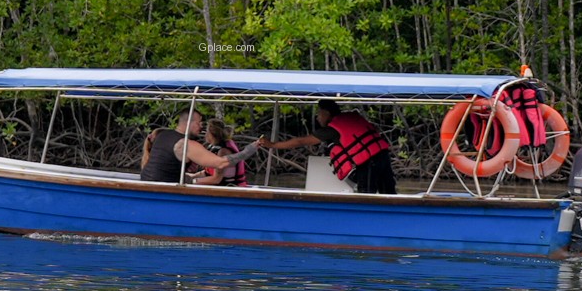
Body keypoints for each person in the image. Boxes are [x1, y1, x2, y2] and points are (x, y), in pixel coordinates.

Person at [258, 99, 395, 194]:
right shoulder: (352, 117)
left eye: (319, 113)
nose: (318, 117)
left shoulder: (331, 129)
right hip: (382, 156)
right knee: (388, 191)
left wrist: (273, 145)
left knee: (366, 193)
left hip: (369, 162)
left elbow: (301, 141)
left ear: (327, 114)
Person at [141, 109, 258, 184]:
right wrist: (247, 151)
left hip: (146, 182)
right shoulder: (186, 144)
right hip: (162, 191)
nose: (201, 127)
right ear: (188, 123)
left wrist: (191, 179)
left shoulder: (162, 134)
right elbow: (220, 163)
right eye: (199, 123)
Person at [194, 119, 249, 187]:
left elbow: (217, 179)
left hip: (231, 187)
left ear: (212, 134)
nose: (206, 134)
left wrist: (193, 181)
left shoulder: (223, 152)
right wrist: (192, 176)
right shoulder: (215, 147)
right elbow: (209, 172)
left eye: (207, 132)